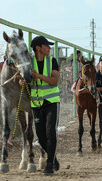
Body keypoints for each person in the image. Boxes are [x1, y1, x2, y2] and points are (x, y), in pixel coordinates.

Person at [29, 36, 60, 175]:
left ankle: (49, 164)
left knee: (50, 132)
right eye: (46, 45)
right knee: (41, 137)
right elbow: (25, 84)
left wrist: (38, 76)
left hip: (51, 102)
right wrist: (21, 80)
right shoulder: (29, 63)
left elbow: (55, 81)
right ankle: (53, 158)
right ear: (38, 48)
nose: (49, 48)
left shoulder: (52, 61)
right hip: (36, 103)